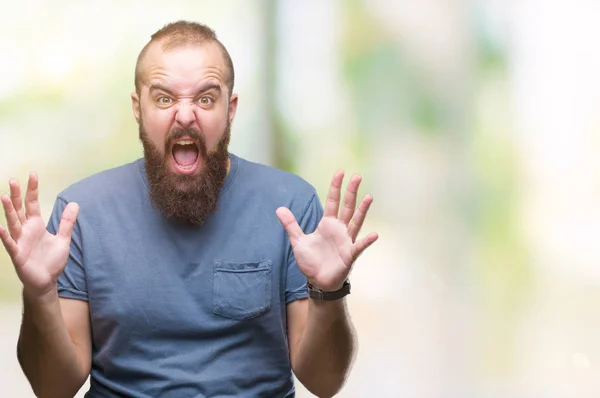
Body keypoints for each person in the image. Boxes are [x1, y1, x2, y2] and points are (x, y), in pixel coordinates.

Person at [0, 20, 378, 398]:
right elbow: (53, 389)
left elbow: (325, 384)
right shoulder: (80, 214)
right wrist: (40, 294)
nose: (184, 116)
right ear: (138, 108)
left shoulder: (290, 206)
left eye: (205, 99)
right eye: (164, 98)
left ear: (230, 109)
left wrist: (329, 293)